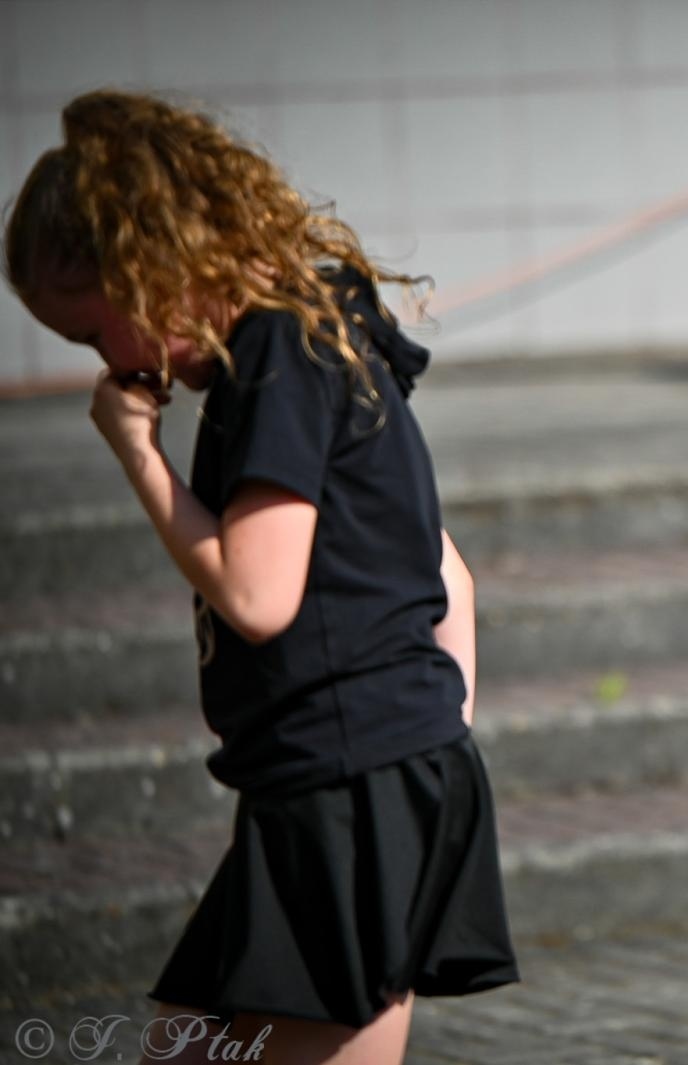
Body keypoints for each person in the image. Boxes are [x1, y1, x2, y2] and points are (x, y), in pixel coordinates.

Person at [5, 90, 518, 1064]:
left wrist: (139, 456)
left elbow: (254, 595)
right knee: (184, 1045)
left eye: (94, 332)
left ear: (153, 271)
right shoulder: (305, 333)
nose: (105, 361)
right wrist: (434, 755)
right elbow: (444, 569)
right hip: (344, 781)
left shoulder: (282, 353)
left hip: (351, 786)